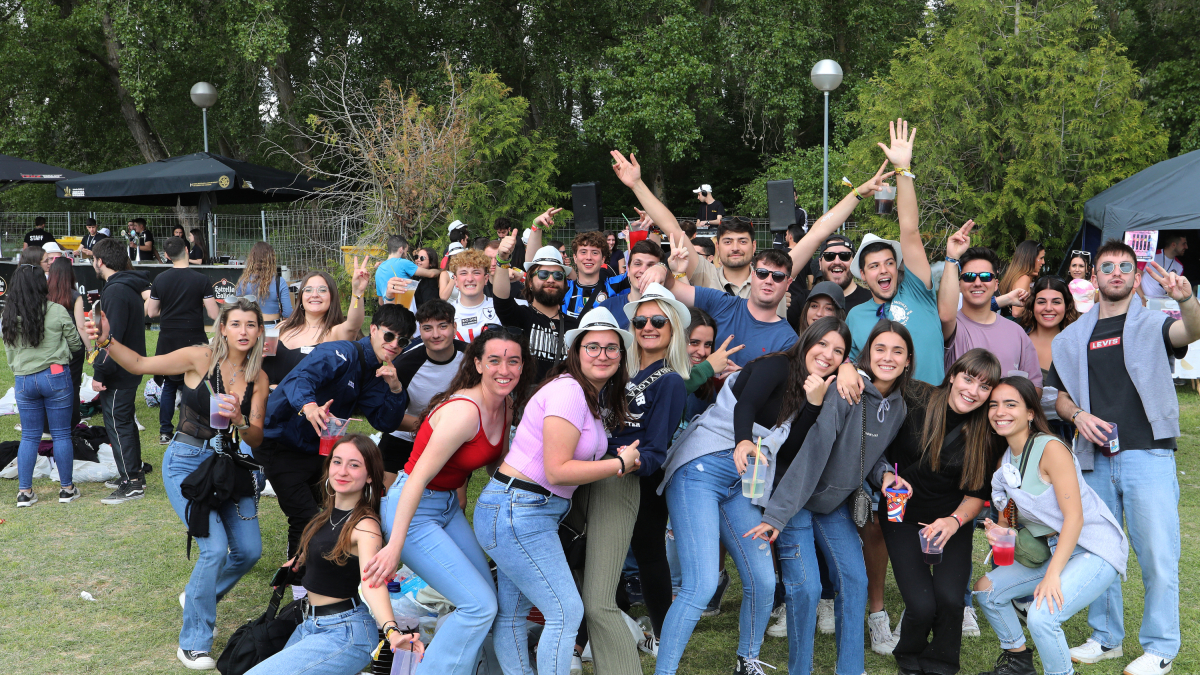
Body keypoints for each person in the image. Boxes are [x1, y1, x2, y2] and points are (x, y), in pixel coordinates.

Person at [92, 298, 269, 669]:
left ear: (259, 332)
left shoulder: (258, 378)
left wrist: (240, 419)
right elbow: (139, 364)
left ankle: (198, 593)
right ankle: (193, 643)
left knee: (250, 550)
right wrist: (107, 341)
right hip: (186, 462)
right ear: (223, 328)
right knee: (214, 549)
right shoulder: (200, 357)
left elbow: (256, 437)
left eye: (251, 325)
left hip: (227, 465)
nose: (243, 331)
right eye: (236, 324)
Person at [1049, 240, 1199, 675]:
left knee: (1157, 555)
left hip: (1148, 455)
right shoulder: (1071, 337)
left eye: (1125, 267)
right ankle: (1105, 638)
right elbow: (1059, 396)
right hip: (1094, 460)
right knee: (1099, 553)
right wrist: (1077, 415)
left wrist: (1186, 300)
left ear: (1135, 278)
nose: (1116, 272)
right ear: (1093, 277)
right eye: (1107, 266)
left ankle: (1160, 646)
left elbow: (1192, 331)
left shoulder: (1155, 324)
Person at [475, 307, 640, 675]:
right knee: (566, 611)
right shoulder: (569, 391)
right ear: (576, 352)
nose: (602, 354)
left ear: (621, 355)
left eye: (611, 348)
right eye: (592, 346)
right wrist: (619, 464)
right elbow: (557, 470)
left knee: (514, 614)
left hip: (522, 509)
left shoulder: (587, 395)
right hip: (519, 511)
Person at [362, 327, 533, 675]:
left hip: (446, 507)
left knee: (487, 600)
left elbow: (496, 466)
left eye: (513, 361)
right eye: (494, 361)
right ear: (478, 364)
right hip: (412, 509)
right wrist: (395, 546)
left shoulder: (505, 404)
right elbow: (416, 479)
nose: (504, 370)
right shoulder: (463, 412)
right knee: (479, 606)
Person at [748, 320, 910, 675]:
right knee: (807, 589)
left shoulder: (898, 407)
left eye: (897, 351)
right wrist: (777, 514)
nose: (888, 357)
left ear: (908, 360)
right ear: (867, 354)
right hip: (797, 498)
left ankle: (850, 669)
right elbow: (815, 450)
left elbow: (869, 452)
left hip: (833, 505)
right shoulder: (846, 390)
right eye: (880, 349)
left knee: (855, 581)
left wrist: (885, 475)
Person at [974, 377, 1128, 675]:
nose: (1000, 412)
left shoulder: (1051, 449)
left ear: (1030, 413)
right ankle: (1018, 662)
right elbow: (1010, 518)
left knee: (1041, 616)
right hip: (1054, 548)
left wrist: (1052, 575)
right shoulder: (1004, 461)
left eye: (1010, 404)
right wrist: (1002, 531)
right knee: (986, 591)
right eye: (994, 405)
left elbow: (1075, 517)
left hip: (1094, 548)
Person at [573, 284, 689, 667]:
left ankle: (663, 639)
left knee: (648, 555)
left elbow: (656, 448)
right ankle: (592, 637)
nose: (648, 327)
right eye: (640, 321)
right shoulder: (617, 368)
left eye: (658, 321)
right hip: (598, 473)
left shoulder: (670, 380)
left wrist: (628, 463)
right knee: (597, 558)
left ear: (672, 328)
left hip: (637, 480)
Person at [248, 436, 425, 675]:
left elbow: (372, 583)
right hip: (310, 625)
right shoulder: (326, 515)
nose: (342, 471)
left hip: (344, 633)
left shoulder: (365, 526)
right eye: (337, 462)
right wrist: (298, 562)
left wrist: (392, 631)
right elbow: (325, 548)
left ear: (370, 475)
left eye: (354, 465)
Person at [261, 304, 415, 571]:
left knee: (326, 516)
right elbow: (300, 378)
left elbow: (385, 422)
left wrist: (395, 388)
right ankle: (298, 585)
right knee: (306, 517)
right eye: (389, 335)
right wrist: (309, 406)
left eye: (402, 341)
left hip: (317, 449)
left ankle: (319, 576)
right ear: (374, 330)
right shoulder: (341, 352)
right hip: (280, 441)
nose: (394, 345)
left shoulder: (377, 372)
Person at [883, 349, 1000, 675]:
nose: (973, 391)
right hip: (901, 515)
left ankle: (941, 664)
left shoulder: (985, 432)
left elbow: (976, 496)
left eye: (984, 386)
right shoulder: (917, 397)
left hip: (951, 520)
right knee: (922, 604)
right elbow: (878, 379)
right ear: (952, 376)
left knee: (950, 599)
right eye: (968, 379)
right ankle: (909, 659)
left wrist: (953, 522)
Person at [840, 120, 945, 388]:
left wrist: (902, 170)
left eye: (889, 262)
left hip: (932, 405)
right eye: (874, 266)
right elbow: (849, 363)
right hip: (884, 409)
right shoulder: (855, 316)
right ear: (862, 275)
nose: (883, 269)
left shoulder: (917, 291)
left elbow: (909, 230)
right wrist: (844, 368)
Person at [3, 265, 82, 506]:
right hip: (55, 376)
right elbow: (76, 343)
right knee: (61, 434)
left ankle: (24, 492)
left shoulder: (8, 315)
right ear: (42, 285)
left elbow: (9, 353)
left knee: (29, 436)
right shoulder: (57, 310)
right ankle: (66, 489)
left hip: (24, 380)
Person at [378, 300, 468, 488]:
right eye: (427, 328)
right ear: (420, 330)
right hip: (404, 437)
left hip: (451, 440)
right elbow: (390, 418)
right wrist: (432, 427)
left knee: (456, 499)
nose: (436, 334)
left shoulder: (471, 357)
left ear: (454, 327)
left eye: (442, 326)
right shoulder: (405, 365)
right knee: (384, 494)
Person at [90, 238, 151, 504]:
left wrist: (100, 372)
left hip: (119, 370)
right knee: (123, 422)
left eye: (93, 259)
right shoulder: (124, 286)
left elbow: (110, 339)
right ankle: (133, 474)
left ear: (100, 261)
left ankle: (132, 482)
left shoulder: (116, 291)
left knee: (118, 423)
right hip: (127, 366)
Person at [938, 232, 1042, 388]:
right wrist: (952, 258)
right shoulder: (951, 327)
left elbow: (1035, 386)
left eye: (986, 276)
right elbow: (946, 316)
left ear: (996, 284)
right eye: (969, 277)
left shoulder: (1017, 333)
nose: (977, 282)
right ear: (959, 284)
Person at [148, 237, 221, 444]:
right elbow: (214, 314)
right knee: (196, 384)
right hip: (194, 339)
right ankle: (192, 428)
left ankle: (165, 431)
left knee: (170, 385)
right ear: (187, 251)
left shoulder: (160, 279)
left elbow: (151, 312)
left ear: (167, 255)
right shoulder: (201, 279)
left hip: (169, 339)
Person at [261, 262, 371, 387]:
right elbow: (262, 363)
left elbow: (353, 324)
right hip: (270, 397)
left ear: (332, 297)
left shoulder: (335, 333)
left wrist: (357, 292)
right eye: (308, 290)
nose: (314, 295)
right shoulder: (281, 327)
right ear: (301, 297)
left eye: (322, 290)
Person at [493, 233, 579, 380]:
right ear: (530, 282)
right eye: (543, 274)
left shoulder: (576, 326)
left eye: (558, 275)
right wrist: (502, 259)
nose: (551, 279)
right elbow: (501, 299)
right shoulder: (519, 317)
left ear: (564, 283)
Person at [787, 235, 873, 328]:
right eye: (829, 256)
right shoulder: (803, 300)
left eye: (845, 256)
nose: (837, 262)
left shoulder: (871, 301)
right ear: (820, 263)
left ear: (854, 262)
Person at [47, 258, 89, 428]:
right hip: (72, 346)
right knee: (72, 384)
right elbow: (81, 326)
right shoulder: (74, 296)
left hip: (51, 345)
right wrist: (90, 348)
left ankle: (51, 420)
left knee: (52, 382)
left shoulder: (44, 294)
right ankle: (72, 421)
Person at [1017, 276, 1079, 384]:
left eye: (1056, 302)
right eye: (1041, 302)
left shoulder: (1078, 345)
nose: (1048, 308)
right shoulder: (1017, 340)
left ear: (1067, 306)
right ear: (1032, 305)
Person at [556, 231, 630, 318]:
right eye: (583, 252)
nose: (589, 257)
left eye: (595, 253)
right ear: (575, 258)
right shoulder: (564, 288)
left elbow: (639, 271)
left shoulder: (615, 285)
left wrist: (644, 230)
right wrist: (539, 229)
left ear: (603, 259)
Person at [446, 249, 499, 342]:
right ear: (455, 280)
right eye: (463, 273)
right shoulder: (446, 313)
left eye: (476, 272)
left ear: (486, 279)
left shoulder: (500, 308)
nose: (470, 279)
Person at [236, 242, 293, 323]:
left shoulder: (243, 282)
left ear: (252, 259)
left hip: (250, 326)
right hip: (273, 325)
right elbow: (288, 312)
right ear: (271, 260)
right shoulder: (279, 281)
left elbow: (237, 308)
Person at [998, 240, 1044, 318]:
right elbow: (1017, 312)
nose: (1043, 262)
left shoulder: (1014, 277)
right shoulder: (1024, 278)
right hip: (1017, 324)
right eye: (1041, 258)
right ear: (1030, 259)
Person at [1139, 231, 1188, 302]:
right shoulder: (1150, 255)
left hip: (1161, 304)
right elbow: (1135, 277)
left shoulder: (1180, 266)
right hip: (1141, 302)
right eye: (1184, 244)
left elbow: (1176, 291)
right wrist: (1143, 299)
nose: (1186, 247)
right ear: (1173, 245)